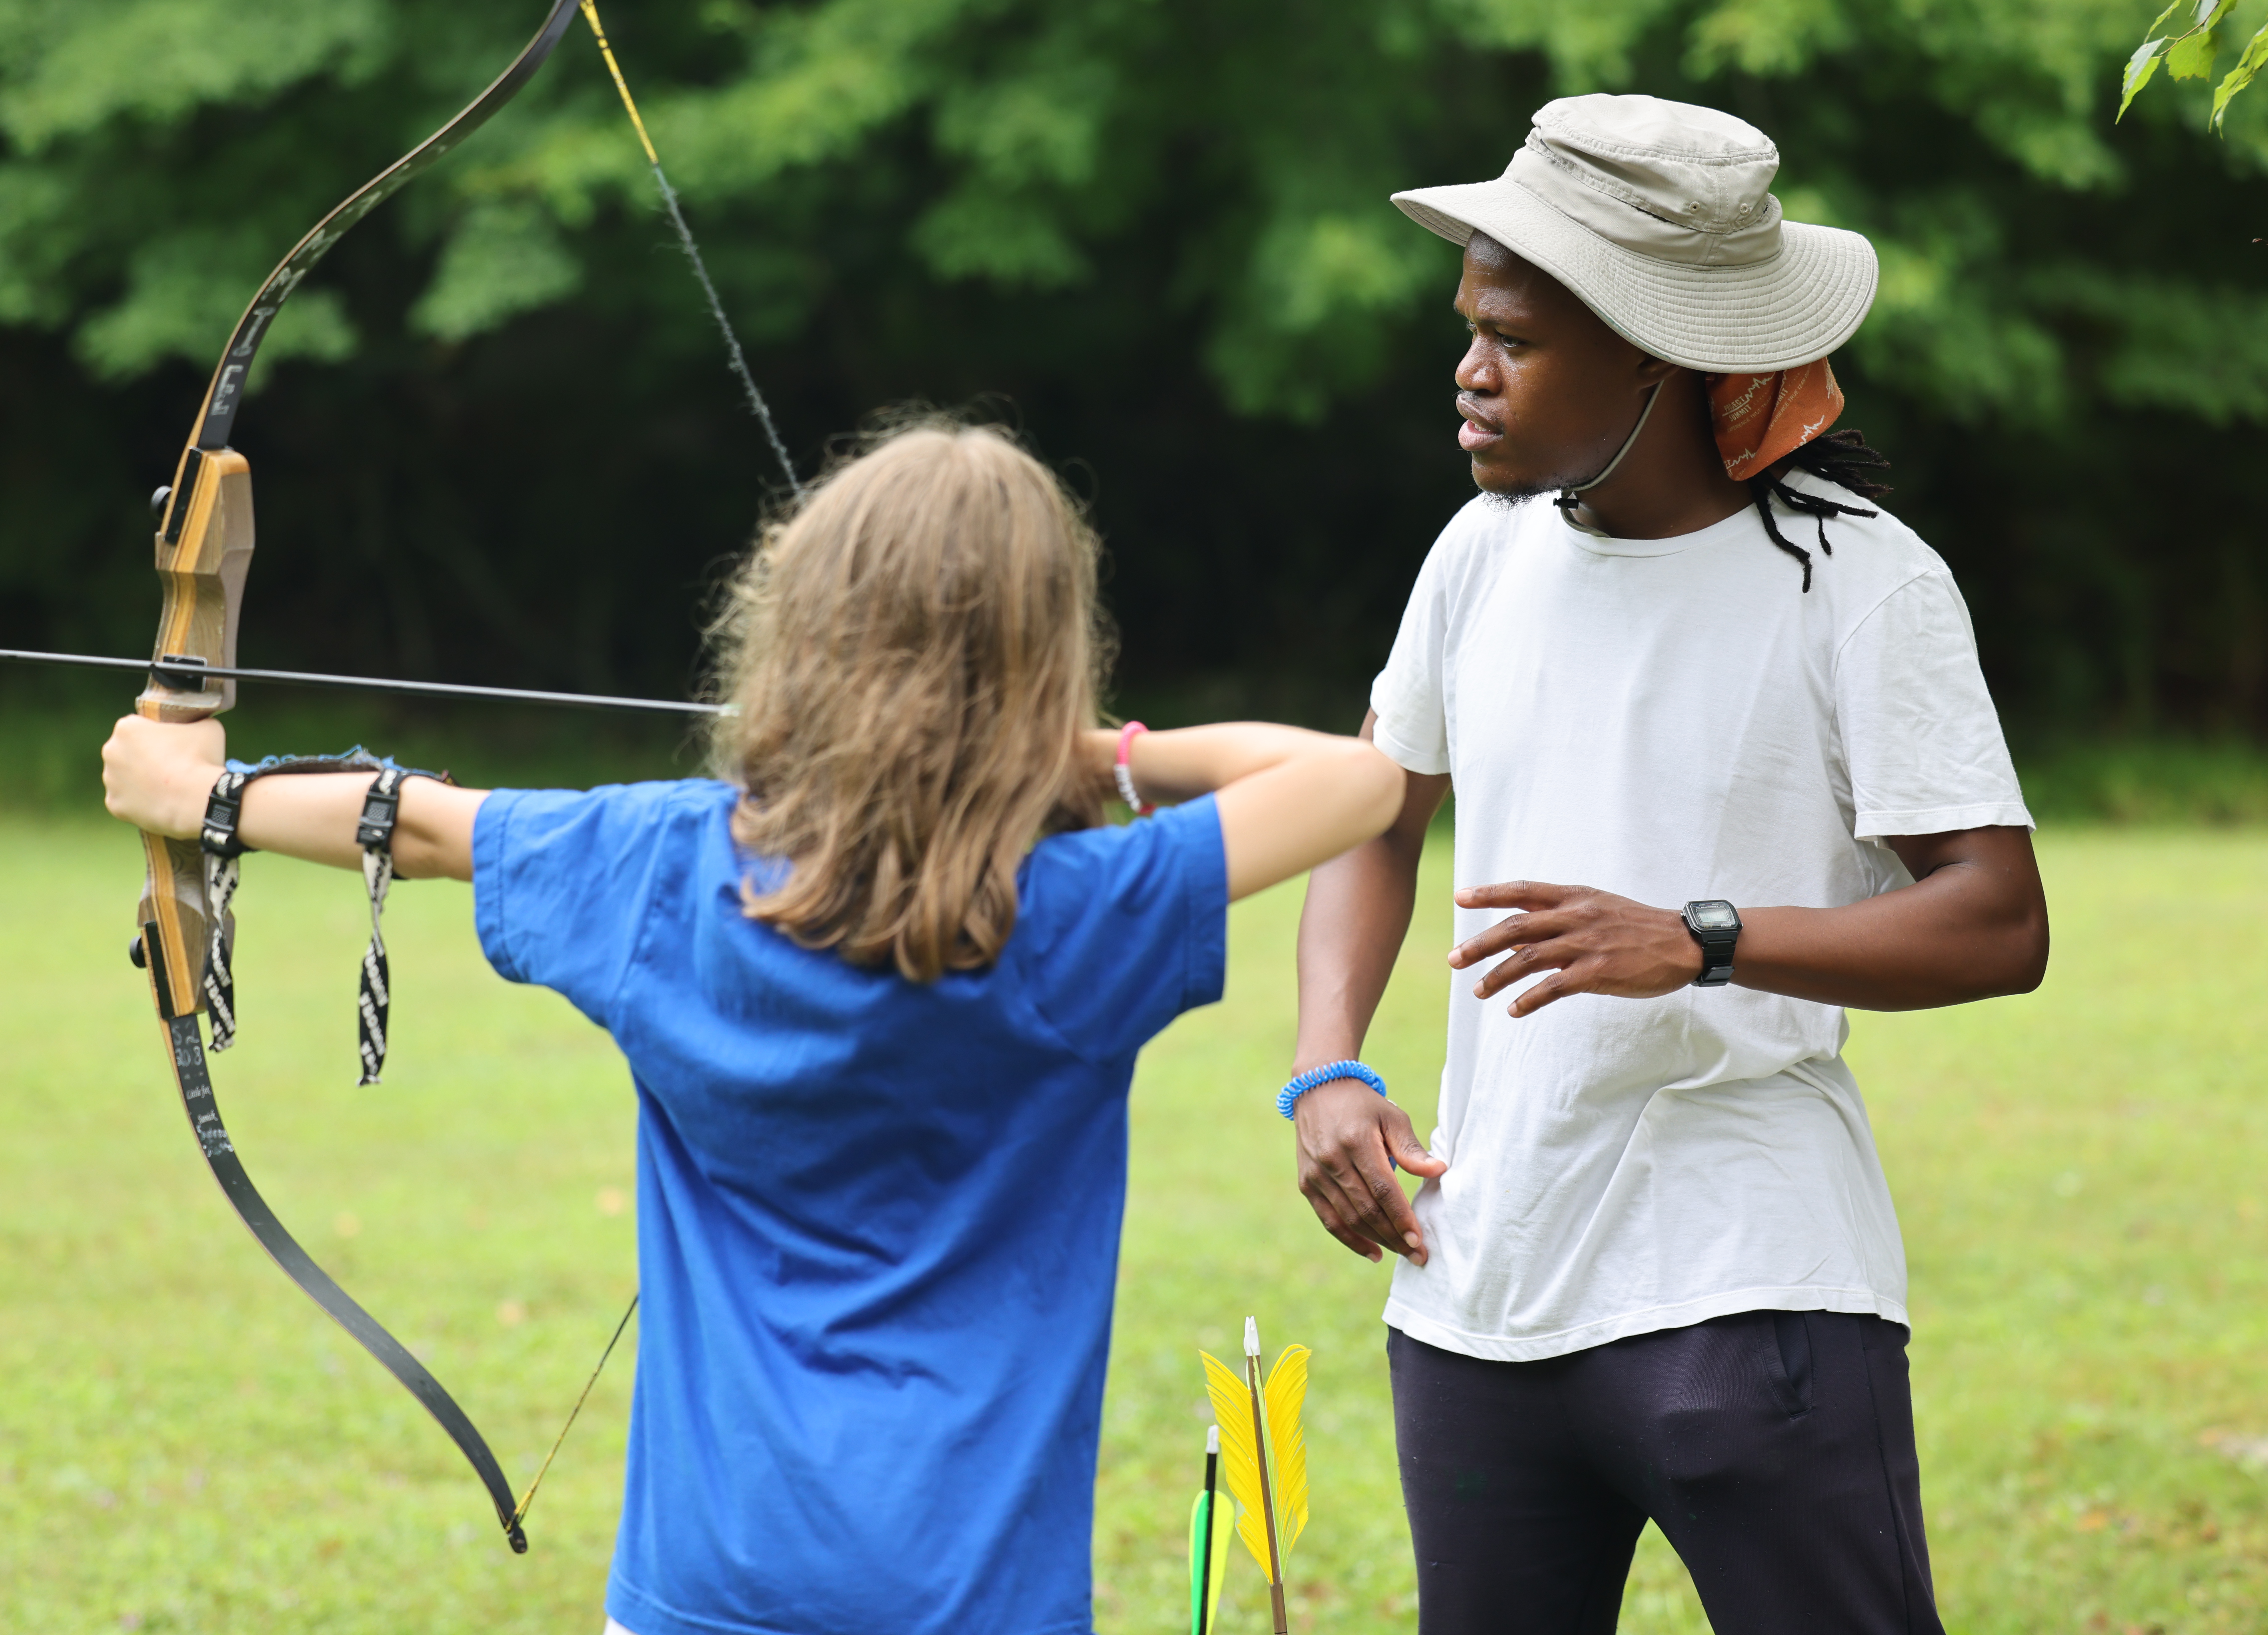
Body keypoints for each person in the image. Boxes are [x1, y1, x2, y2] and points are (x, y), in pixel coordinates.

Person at [101, 420, 1403, 1635]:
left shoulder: (662, 867)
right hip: (977, 1594)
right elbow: (1360, 779)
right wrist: (1088, 750)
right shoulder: (1080, 914)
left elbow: (424, 824)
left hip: (706, 1585)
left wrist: (198, 788)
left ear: (799, 628)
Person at [1284, 95, 2049, 1635]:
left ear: (1653, 348)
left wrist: (1700, 937)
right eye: (1469, 326)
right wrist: (1324, 1068)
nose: (1469, 369)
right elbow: (1376, 807)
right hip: (1477, 1288)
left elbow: (1995, 921)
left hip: (1750, 1288)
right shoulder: (1476, 555)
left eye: (1514, 337)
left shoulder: (1859, 582)